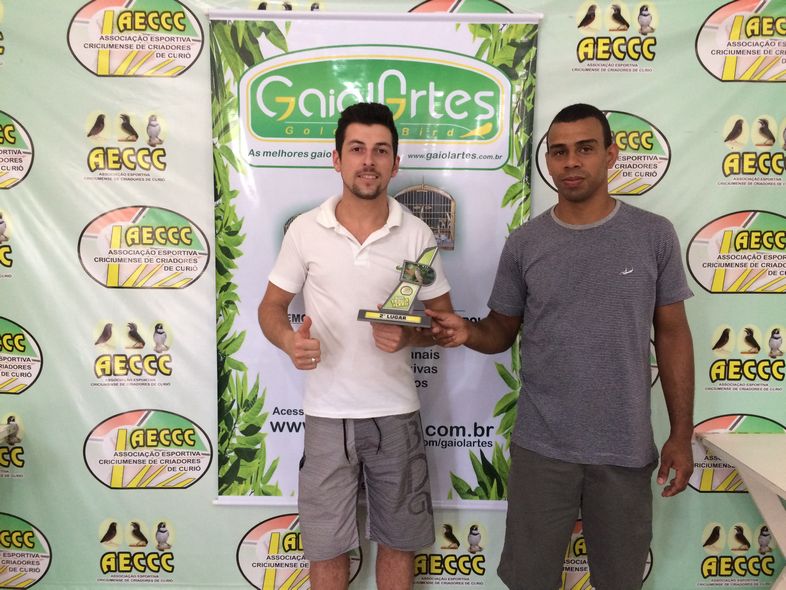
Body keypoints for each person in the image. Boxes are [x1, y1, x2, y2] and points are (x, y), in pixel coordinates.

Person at [427, 103, 694, 589]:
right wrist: (467, 332)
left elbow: (673, 333)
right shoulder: (525, 244)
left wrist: (680, 433)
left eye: (585, 149)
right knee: (529, 581)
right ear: (548, 161)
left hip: (624, 449)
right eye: (559, 151)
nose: (571, 161)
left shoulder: (653, 235)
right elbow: (500, 330)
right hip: (542, 449)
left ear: (611, 154)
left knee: (620, 581)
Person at [258, 102, 452, 590]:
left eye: (381, 151)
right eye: (357, 149)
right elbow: (271, 307)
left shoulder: (417, 235)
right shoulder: (305, 230)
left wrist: (411, 335)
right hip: (326, 415)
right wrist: (288, 340)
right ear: (337, 159)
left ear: (396, 163)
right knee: (325, 547)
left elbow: (446, 325)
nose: (369, 161)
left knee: (399, 543)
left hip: (397, 413)